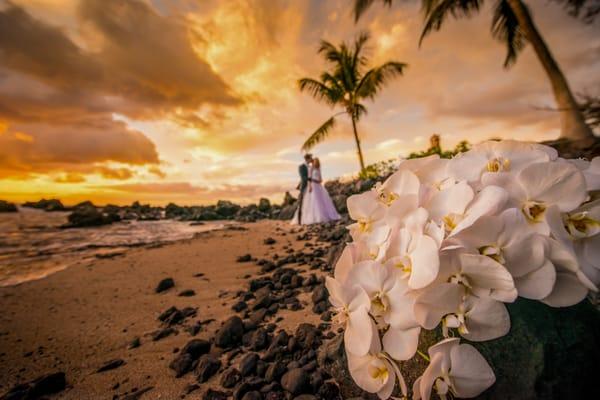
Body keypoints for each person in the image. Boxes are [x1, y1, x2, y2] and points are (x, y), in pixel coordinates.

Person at [292, 155, 341, 225]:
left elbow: (320, 179)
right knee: (310, 202)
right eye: (312, 160)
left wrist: (317, 181)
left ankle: (324, 216)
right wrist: (308, 186)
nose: (313, 161)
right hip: (311, 186)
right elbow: (306, 178)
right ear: (308, 159)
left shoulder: (317, 169)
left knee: (321, 201)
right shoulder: (307, 167)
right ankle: (304, 219)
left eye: (315, 161)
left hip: (318, 186)